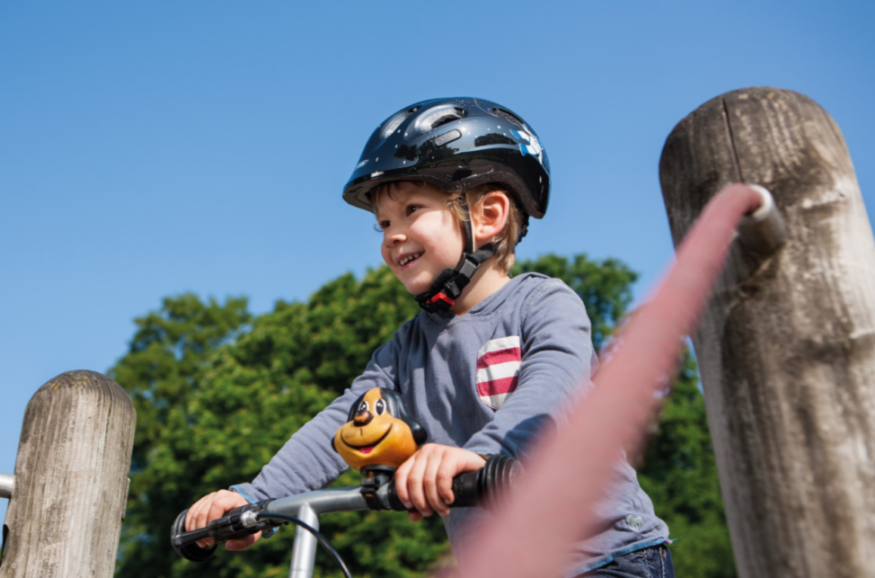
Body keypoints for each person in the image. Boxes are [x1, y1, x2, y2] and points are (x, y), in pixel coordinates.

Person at [183, 97, 675, 577]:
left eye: (411, 209)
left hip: (607, 555)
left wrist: (482, 452)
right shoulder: (403, 353)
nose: (391, 236)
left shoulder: (543, 304)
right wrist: (254, 497)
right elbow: (338, 428)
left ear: (488, 216)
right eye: (382, 224)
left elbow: (556, 386)